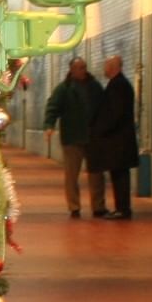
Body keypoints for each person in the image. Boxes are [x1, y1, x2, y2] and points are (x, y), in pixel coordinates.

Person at [42, 55, 104, 218]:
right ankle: (74, 206)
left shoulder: (95, 87)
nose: (84, 70)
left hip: (93, 137)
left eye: (84, 67)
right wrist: (49, 126)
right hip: (72, 137)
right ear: (72, 70)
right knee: (71, 175)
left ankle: (98, 206)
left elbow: (104, 107)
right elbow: (53, 107)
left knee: (96, 174)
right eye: (80, 67)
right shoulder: (64, 89)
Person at [88, 53, 140, 219]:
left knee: (120, 176)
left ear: (113, 68)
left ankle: (123, 209)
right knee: (118, 175)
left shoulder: (118, 86)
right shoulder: (118, 84)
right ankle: (121, 207)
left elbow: (114, 114)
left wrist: (100, 130)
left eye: (106, 66)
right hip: (119, 141)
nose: (104, 69)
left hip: (118, 141)